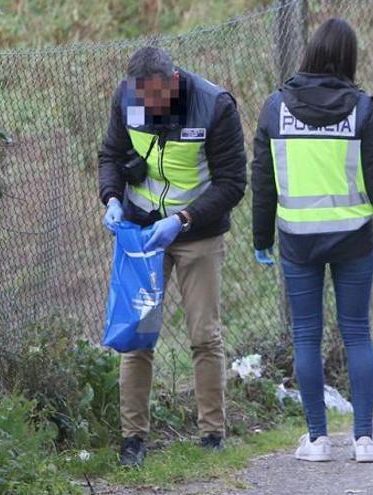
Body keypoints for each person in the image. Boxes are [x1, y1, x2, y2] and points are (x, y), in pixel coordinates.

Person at [251, 18, 373, 463]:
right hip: (353, 239)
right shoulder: (361, 109)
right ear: (349, 58)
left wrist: (261, 238)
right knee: (357, 334)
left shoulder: (275, 108)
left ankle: (316, 441)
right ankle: (364, 440)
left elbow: (263, 181)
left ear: (309, 52)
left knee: (306, 337)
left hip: (298, 241)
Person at [98, 46, 247, 467]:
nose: (150, 108)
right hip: (143, 234)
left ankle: (212, 436)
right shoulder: (125, 99)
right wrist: (111, 198)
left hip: (196, 232)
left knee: (204, 335)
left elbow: (233, 183)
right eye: (143, 100)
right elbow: (110, 155)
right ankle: (133, 441)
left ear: (175, 82)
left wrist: (182, 219)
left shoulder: (215, 107)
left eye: (157, 100)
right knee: (137, 336)